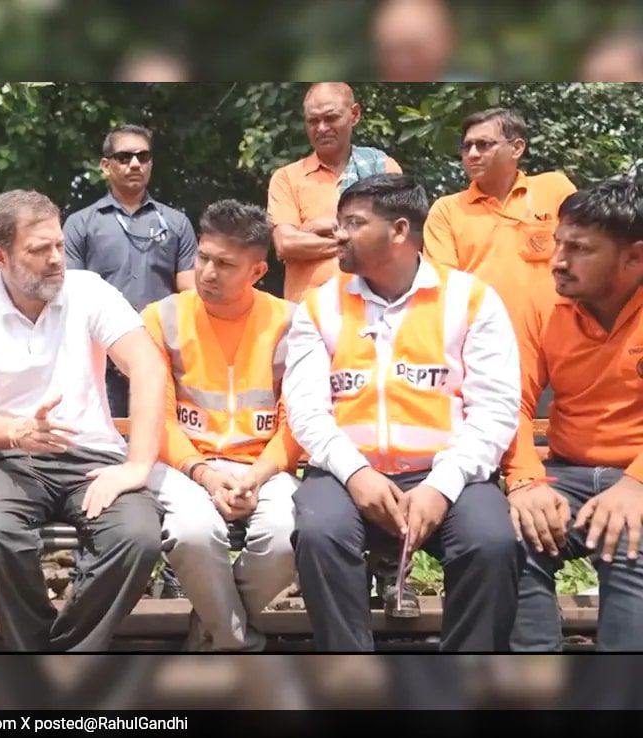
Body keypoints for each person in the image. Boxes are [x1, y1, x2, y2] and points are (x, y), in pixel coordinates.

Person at [0, 189, 217, 652]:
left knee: (136, 538)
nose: (56, 259)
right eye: (39, 250)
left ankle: (67, 657)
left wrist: (136, 465)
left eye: (59, 245)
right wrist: (17, 431)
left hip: (93, 459)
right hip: (11, 460)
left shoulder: (87, 290)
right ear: (0, 256)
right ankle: (39, 654)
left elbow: (147, 366)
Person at [284, 174, 523, 651]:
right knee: (318, 532)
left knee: (492, 542)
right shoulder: (319, 306)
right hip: (345, 474)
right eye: (339, 223)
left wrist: (441, 485)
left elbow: (496, 409)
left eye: (354, 223)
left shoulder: (471, 299)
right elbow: (306, 410)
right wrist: (356, 475)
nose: (339, 235)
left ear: (398, 230)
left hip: (446, 474)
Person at [140, 200, 300, 650]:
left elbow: (297, 424)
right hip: (182, 466)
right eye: (203, 258)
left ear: (257, 271)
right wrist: (206, 475)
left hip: (263, 468)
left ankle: (211, 628)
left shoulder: (290, 323)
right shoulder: (161, 317)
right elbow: (158, 419)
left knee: (287, 536)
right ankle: (237, 643)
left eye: (225, 264)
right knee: (192, 532)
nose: (208, 272)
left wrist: (253, 476)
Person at [502, 179, 643, 651]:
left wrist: (635, 487)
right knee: (510, 536)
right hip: (567, 473)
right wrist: (525, 482)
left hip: (637, 475)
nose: (557, 260)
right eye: (559, 242)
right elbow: (513, 401)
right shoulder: (541, 302)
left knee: (629, 539)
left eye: (579, 248)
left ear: (634, 258)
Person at [64, 123, 197, 417]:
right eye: (124, 157)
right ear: (105, 165)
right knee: (107, 444)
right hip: (101, 357)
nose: (135, 164)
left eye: (143, 156)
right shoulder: (81, 224)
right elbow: (69, 295)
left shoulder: (176, 223)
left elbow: (191, 292)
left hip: (162, 354)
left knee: (163, 443)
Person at [424, 108, 577, 337]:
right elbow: (444, 287)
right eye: (467, 146)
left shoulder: (555, 189)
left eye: (484, 144)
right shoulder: (447, 210)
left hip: (559, 334)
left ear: (516, 148)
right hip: (484, 342)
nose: (472, 154)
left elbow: (586, 254)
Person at [268, 83, 403, 303]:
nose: (321, 128)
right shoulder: (287, 178)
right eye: (313, 121)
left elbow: (395, 237)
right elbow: (286, 244)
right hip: (308, 312)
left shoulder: (384, 168)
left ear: (355, 115)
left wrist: (312, 230)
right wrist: (358, 236)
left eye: (331, 118)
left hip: (376, 305)